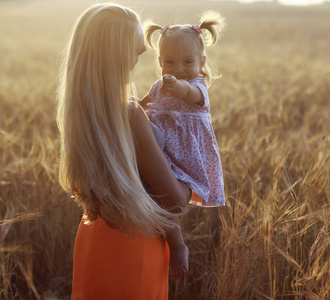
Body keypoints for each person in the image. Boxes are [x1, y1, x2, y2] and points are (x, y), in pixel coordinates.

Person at [56, 3, 191, 299]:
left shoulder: (79, 112)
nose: (139, 57)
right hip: (137, 241)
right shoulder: (128, 115)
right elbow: (174, 201)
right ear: (114, 55)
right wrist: (195, 174)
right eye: (135, 50)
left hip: (94, 237)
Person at [140, 11, 226, 279]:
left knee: (165, 199)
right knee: (152, 195)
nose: (178, 68)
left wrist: (177, 87)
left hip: (185, 157)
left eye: (188, 61)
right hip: (161, 153)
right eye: (170, 61)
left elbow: (188, 94)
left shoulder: (198, 86)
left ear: (202, 61)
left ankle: (177, 246)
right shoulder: (158, 85)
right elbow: (140, 106)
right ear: (159, 61)